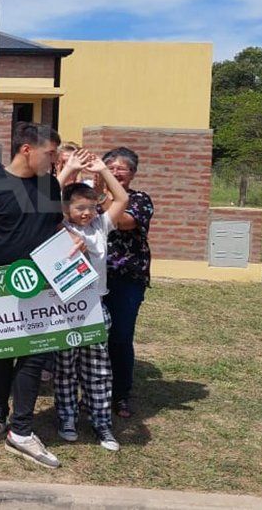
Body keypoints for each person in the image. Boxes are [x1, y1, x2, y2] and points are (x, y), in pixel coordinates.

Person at [0, 122, 77, 469]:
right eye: (50, 154)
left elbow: (52, 229)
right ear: (27, 150)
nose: (54, 161)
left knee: (35, 358)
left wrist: (70, 247)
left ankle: (21, 430)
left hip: (41, 285)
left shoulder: (49, 184)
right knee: (0, 357)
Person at [55, 149, 130, 451]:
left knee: (98, 368)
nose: (86, 213)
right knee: (65, 368)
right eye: (79, 208)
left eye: (91, 207)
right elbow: (42, 202)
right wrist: (69, 169)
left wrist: (103, 170)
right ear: (66, 209)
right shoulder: (59, 226)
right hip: (64, 308)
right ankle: (67, 417)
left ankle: (101, 422)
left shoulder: (101, 226)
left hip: (95, 306)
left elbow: (122, 200)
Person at [99, 147, 153, 419]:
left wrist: (107, 195)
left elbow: (121, 221)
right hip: (92, 278)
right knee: (93, 338)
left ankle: (120, 394)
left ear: (133, 173)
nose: (117, 172)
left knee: (120, 336)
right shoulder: (89, 198)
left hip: (126, 279)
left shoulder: (140, 200)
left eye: (123, 168)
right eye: (111, 167)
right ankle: (93, 391)